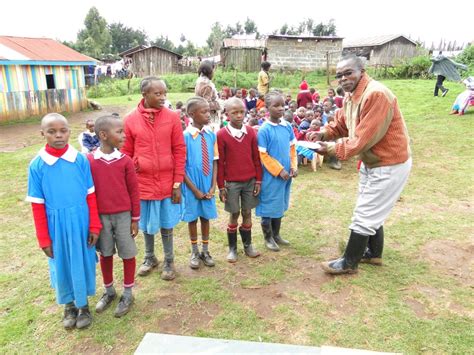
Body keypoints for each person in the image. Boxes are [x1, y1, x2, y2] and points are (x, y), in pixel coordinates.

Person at [308, 55, 412, 275]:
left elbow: (362, 139)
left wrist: (330, 148)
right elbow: (343, 123)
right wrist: (324, 132)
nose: (343, 79)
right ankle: (373, 254)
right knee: (371, 207)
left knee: (366, 211)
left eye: (348, 73)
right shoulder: (351, 95)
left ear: (361, 70)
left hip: (389, 162)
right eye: (339, 76)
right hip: (373, 161)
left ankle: (349, 261)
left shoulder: (376, 95)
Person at [26, 113, 102, 329]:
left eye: (63, 130)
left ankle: (83, 305)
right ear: (43, 134)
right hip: (55, 225)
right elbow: (37, 204)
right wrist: (43, 238)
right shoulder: (37, 165)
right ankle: (68, 305)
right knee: (60, 265)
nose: (58, 135)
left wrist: (94, 225)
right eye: (52, 131)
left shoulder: (80, 160)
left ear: (70, 132)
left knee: (82, 261)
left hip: (80, 221)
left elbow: (90, 194)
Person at [122, 77, 186, 281]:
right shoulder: (130, 120)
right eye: (157, 94)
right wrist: (136, 165)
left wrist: (177, 182)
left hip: (168, 181)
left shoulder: (172, 117)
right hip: (143, 183)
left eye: (164, 93)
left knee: (166, 223)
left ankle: (169, 260)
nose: (163, 97)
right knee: (147, 224)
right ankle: (150, 257)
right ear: (145, 95)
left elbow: (179, 150)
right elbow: (126, 152)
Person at [88, 115, 140, 318]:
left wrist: (135, 218)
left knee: (128, 253)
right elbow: (88, 193)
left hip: (123, 216)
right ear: (103, 135)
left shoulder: (125, 161)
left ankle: (128, 293)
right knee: (106, 253)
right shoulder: (90, 161)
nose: (124, 135)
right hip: (101, 217)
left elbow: (134, 191)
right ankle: (109, 291)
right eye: (119, 132)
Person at [217, 98, 262, 262]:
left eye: (241, 112)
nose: (238, 115)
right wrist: (221, 186)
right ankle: (232, 249)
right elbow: (220, 163)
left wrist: (258, 180)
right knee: (234, 213)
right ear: (227, 114)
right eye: (234, 112)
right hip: (232, 182)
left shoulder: (250, 132)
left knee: (247, 212)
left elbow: (256, 157)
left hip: (250, 180)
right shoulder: (221, 135)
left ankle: (248, 245)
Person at [257, 91, 298, 251]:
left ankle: (277, 234)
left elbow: (292, 147)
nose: (281, 108)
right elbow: (263, 154)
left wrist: (293, 166)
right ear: (267, 108)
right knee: (269, 205)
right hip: (271, 176)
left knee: (280, 203)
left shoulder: (287, 126)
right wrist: (279, 170)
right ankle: (268, 238)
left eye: (282, 105)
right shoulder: (264, 130)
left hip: (286, 175)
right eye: (276, 105)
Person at [182, 97, 218, 269]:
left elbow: (215, 161)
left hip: (207, 181)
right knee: (192, 218)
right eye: (203, 112)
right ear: (191, 114)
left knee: (205, 216)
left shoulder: (211, 135)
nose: (208, 114)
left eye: (209, 111)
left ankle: (205, 250)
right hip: (191, 184)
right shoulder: (185, 137)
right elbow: (180, 167)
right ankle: (194, 251)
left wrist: (213, 185)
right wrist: (195, 190)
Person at [195, 60, 221, 131]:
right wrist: (220, 105)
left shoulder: (199, 82)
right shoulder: (207, 85)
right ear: (211, 71)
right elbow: (207, 104)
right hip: (209, 117)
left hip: (199, 111)